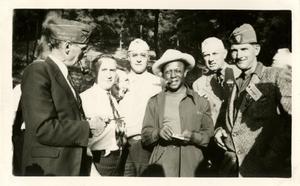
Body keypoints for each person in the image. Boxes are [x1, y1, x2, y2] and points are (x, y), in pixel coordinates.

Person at [20, 17, 106, 176]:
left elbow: (64, 120)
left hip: (69, 167)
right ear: (67, 47)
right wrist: (87, 127)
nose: (85, 55)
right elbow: (42, 128)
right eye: (84, 49)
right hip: (49, 171)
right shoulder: (38, 71)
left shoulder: (63, 75)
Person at [214, 23, 291, 177]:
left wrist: (274, 153)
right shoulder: (236, 82)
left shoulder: (276, 76)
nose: (239, 55)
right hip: (230, 169)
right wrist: (219, 129)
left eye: (244, 49)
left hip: (261, 169)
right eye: (234, 51)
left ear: (256, 50)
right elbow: (232, 118)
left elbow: (293, 119)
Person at [141, 49, 214, 177]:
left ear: (185, 72)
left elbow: (209, 135)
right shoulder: (154, 102)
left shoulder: (201, 102)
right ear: (163, 75)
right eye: (168, 71)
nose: (173, 75)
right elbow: (145, 136)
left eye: (178, 71)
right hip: (163, 164)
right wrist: (158, 133)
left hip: (193, 165)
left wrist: (193, 137)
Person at [192, 37, 240, 176]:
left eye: (215, 54)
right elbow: (197, 119)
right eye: (206, 55)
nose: (210, 59)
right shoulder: (198, 84)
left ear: (224, 54)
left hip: (238, 143)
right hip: (214, 145)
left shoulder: (240, 74)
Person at [119, 38, 163, 176]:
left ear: (148, 57)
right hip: (124, 144)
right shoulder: (119, 81)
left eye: (143, 55)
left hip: (147, 145)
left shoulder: (158, 83)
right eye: (134, 55)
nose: (138, 60)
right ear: (128, 57)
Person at [80, 54, 126, 176]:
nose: (109, 75)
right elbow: (80, 139)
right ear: (95, 72)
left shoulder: (113, 99)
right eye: (104, 70)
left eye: (112, 70)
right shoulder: (85, 98)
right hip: (97, 160)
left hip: (117, 158)